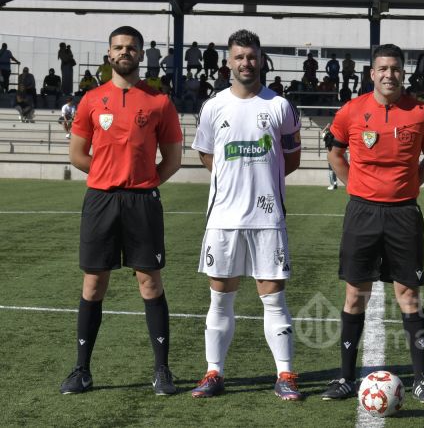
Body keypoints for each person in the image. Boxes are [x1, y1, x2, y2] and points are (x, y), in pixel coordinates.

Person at [59, 25, 183, 396]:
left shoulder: (159, 101)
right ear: (108, 54)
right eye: (118, 47)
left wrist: (143, 183)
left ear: (142, 55)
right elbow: (78, 154)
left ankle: (162, 371)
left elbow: (173, 159)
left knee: (150, 282)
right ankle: (81, 370)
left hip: (142, 201)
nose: (124, 52)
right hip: (100, 200)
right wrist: (106, 176)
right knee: (94, 284)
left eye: (131, 48)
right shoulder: (92, 100)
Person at [322, 43, 424, 404]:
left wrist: (408, 187)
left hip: (404, 212)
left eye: (395, 68)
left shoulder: (421, 112)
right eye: (383, 69)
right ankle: (344, 377)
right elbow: (335, 152)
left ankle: (422, 380)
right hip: (362, 212)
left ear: (403, 72)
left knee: (408, 294)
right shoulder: (352, 111)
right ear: (371, 73)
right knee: (355, 293)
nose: (389, 74)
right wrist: (356, 186)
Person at [189, 29, 303, 401]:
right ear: (228, 62)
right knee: (220, 298)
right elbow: (208, 155)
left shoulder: (279, 106)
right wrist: (233, 181)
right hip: (223, 219)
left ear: (261, 60)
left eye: (251, 56)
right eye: (239, 57)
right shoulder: (213, 106)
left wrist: (261, 180)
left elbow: (291, 158)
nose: (245, 63)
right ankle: (214, 373)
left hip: (267, 218)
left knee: (273, 298)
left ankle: (285, 375)